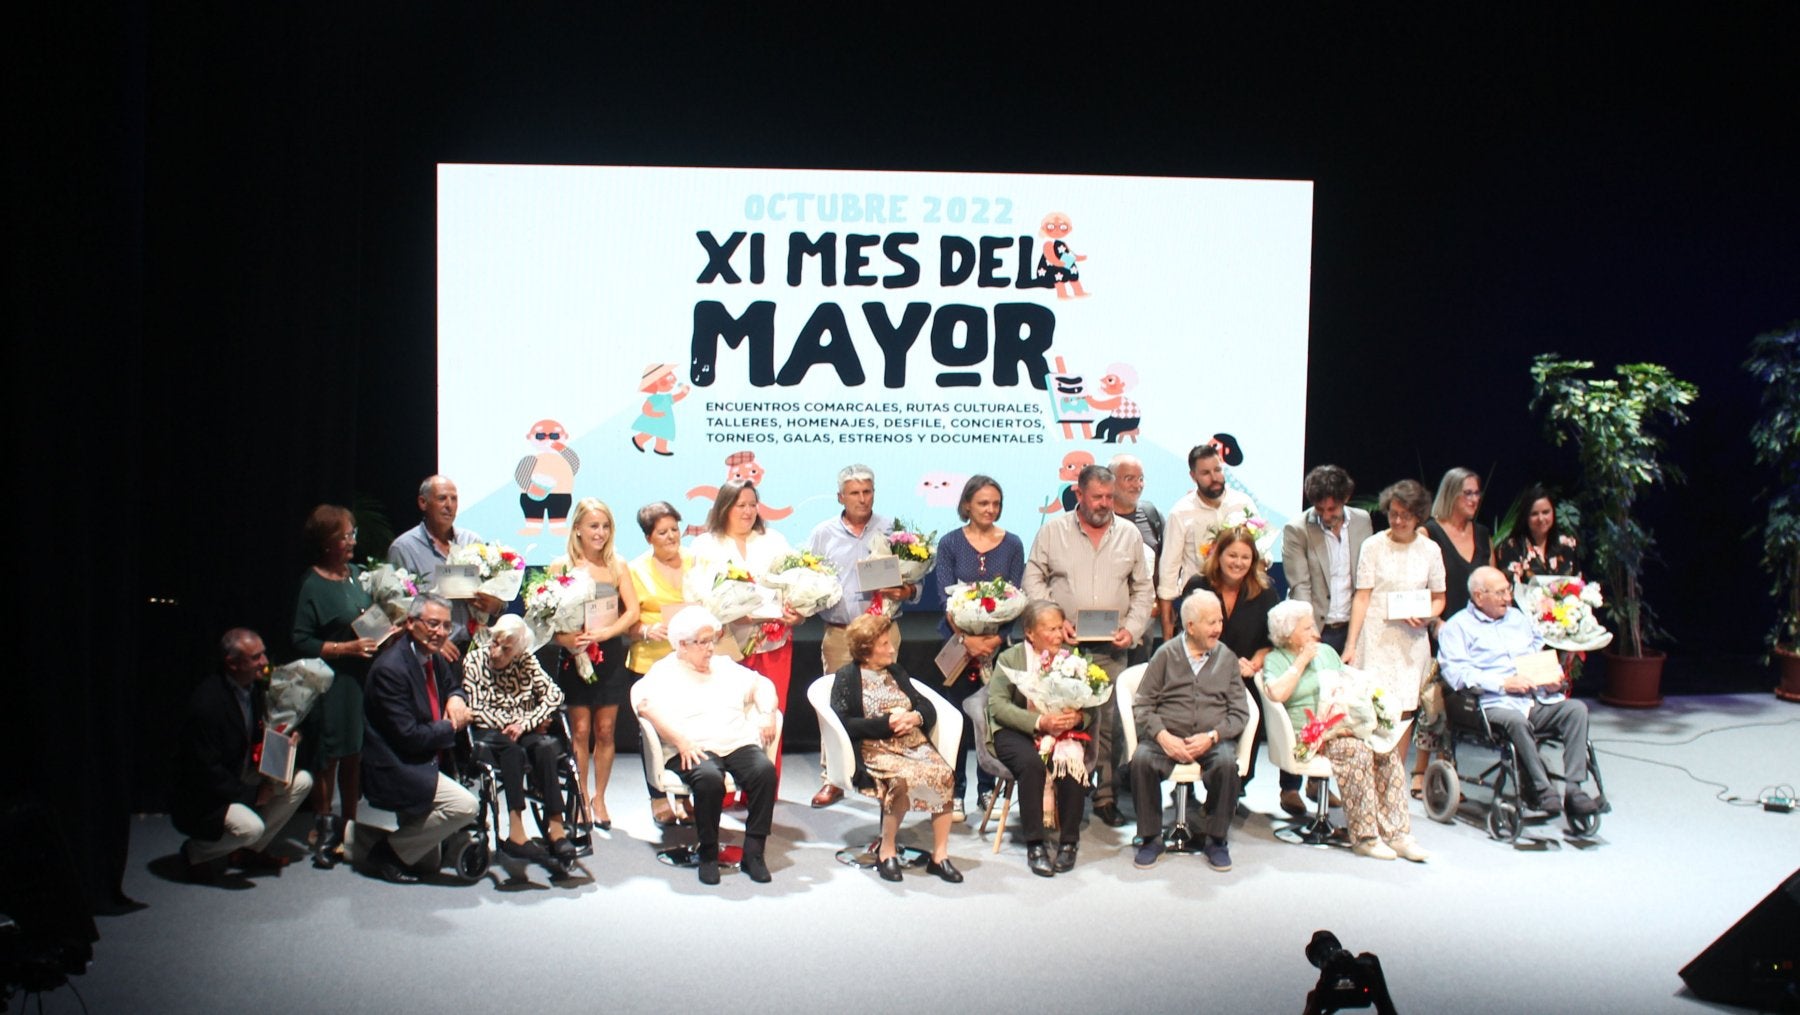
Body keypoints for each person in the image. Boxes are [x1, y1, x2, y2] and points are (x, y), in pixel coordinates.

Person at [1024, 463, 1153, 827]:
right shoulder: (1053, 532)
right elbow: (1033, 576)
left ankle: (1106, 794)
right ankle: (1068, 794)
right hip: (1064, 648)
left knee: (1110, 722)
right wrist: (1053, 619)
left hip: (1113, 648)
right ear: (1078, 494)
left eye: (1110, 497)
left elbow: (1143, 588)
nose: (1104, 503)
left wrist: (1133, 626)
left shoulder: (1129, 535)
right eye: (1097, 496)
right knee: (1067, 723)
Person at [1263, 601, 1430, 862]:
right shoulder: (1275, 659)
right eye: (1306, 628)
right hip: (1307, 735)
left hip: (1343, 726)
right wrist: (1302, 661)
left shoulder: (1327, 652)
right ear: (1287, 633)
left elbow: (1348, 686)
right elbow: (1276, 693)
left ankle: (1397, 834)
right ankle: (1365, 837)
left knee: (1386, 750)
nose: (1315, 632)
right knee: (1356, 752)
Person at [1438, 567, 1600, 817]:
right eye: (1500, 593)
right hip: (1491, 703)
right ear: (1479, 596)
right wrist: (1503, 683)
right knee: (1515, 721)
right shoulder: (1457, 627)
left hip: (1532, 699)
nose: (1507, 598)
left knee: (1575, 710)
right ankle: (1542, 789)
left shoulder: (1518, 618)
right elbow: (1458, 674)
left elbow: (1537, 653)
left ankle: (1574, 789)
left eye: (1508, 590)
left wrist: (1551, 676)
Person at [634, 609, 779, 886]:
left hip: (735, 741)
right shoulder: (665, 671)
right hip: (690, 745)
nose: (710, 648)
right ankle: (709, 854)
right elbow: (645, 706)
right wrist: (680, 741)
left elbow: (762, 685)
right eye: (702, 642)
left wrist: (768, 714)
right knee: (709, 779)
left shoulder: (724, 666)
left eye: (712, 640)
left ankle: (754, 853)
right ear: (682, 645)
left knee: (764, 773)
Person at [807, 464, 918, 809]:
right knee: (834, 704)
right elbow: (807, 576)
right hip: (841, 632)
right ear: (841, 496)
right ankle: (834, 778)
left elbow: (915, 585)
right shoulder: (822, 534)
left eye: (867, 492)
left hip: (883, 631)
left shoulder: (893, 531)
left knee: (886, 702)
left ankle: (884, 771)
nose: (862, 499)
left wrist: (906, 590)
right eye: (854, 493)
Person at [684, 479, 803, 783]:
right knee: (727, 716)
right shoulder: (705, 545)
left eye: (753, 504)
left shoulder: (773, 540)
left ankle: (762, 789)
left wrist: (797, 613)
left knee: (769, 714)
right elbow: (694, 595)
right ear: (724, 507)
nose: (748, 511)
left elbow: (794, 586)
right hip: (726, 648)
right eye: (741, 505)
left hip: (773, 644)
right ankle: (721, 789)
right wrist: (719, 619)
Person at [829, 614, 962, 883]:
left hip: (913, 744)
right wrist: (885, 724)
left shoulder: (896, 672)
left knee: (944, 773)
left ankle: (940, 856)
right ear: (866, 650)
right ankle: (886, 851)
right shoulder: (846, 678)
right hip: (875, 747)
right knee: (900, 780)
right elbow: (844, 723)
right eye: (884, 644)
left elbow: (925, 705)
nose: (891, 649)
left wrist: (915, 718)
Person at [356, 594, 479, 885]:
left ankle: (348, 834)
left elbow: (453, 687)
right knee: (466, 806)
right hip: (399, 765)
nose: (440, 632)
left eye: (446, 626)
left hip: (428, 757)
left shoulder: (431, 656)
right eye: (433, 624)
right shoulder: (391, 669)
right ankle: (385, 854)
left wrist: (457, 700)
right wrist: (452, 726)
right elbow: (409, 736)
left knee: (428, 862)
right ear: (411, 623)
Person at [172, 629, 312, 882]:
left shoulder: (255, 688)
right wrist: (254, 795)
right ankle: (196, 853)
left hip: (243, 772)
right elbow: (205, 772)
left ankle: (250, 851)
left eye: (264, 654)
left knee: (301, 781)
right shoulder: (208, 703)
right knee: (251, 828)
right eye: (256, 657)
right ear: (232, 663)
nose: (265, 662)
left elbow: (259, 734)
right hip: (208, 794)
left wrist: (286, 738)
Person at [1129, 591, 1248, 872]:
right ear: (1191, 626)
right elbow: (1143, 704)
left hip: (1211, 738)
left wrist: (1213, 736)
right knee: (1142, 760)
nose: (1218, 628)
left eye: (1220, 621)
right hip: (1167, 736)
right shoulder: (1165, 655)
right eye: (1211, 622)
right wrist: (1162, 736)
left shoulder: (1226, 658)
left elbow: (1240, 712)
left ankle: (1216, 839)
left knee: (1227, 764)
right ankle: (1150, 838)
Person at [1278, 465, 1374, 815]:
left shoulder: (1362, 521)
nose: (1326, 516)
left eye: (1332, 509)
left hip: (1350, 625)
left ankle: (1322, 781)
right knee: (1303, 705)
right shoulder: (1297, 529)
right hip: (1315, 624)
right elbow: (1299, 583)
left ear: (1345, 500)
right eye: (1320, 509)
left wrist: (1354, 637)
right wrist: (1306, 630)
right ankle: (1290, 785)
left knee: (1337, 707)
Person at [1345, 480, 1447, 794]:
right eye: (1393, 513)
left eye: (1405, 515)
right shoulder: (1373, 545)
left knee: (1404, 710)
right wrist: (1350, 645)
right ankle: (1366, 783)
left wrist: (1429, 614)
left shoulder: (1430, 549)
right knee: (1372, 708)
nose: (1398, 520)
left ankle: (1392, 782)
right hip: (1376, 635)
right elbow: (1362, 597)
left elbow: (1439, 597)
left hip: (1411, 640)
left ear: (1418, 516)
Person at [934, 474, 1026, 818]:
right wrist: (968, 639)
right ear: (967, 505)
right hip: (958, 648)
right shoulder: (950, 543)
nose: (990, 509)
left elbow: (1015, 598)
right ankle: (956, 790)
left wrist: (994, 640)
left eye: (996, 504)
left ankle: (987, 789)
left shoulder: (1013, 543)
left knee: (992, 720)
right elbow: (946, 596)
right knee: (957, 719)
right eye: (983, 503)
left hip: (998, 650)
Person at [547, 497, 640, 832]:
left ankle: (600, 797)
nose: (600, 533)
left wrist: (606, 632)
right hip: (575, 657)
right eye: (593, 526)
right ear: (577, 529)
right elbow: (548, 619)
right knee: (581, 732)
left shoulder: (617, 565)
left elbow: (632, 612)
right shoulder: (561, 566)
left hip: (610, 656)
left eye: (605, 526)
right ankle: (580, 795)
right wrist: (567, 640)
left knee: (605, 731)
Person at [290, 503, 375, 867]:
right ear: (327, 542)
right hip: (332, 681)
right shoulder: (311, 584)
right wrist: (346, 648)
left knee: (355, 756)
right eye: (345, 535)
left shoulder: (357, 575)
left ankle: (350, 828)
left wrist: (390, 628)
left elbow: (371, 621)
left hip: (360, 680)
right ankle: (324, 829)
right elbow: (300, 640)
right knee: (330, 757)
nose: (353, 540)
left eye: (353, 533)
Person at [987, 600, 1096, 877]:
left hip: (1061, 729)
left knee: (1070, 763)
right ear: (1030, 633)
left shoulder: (1072, 659)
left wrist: (1078, 718)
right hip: (1016, 730)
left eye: (1060, 628)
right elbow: (998, 705)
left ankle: (1069, 842)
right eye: (1051, 629)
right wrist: (1039, 721)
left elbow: (1092, 706)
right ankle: (1035, 845)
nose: (1059, 635)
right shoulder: (1010, 658)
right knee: (1032, 765)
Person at [461, 614, 574, 870]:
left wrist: (525, 722)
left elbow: (554, 694)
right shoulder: (475, 661)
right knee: (512, 751)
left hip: (522, 728)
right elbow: (476, 707)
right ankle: (516, 830)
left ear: (519, 650)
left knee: (544, 748)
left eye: (505, 648)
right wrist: (514, 722)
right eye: (494, 643)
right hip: (489, 731)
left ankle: (556, 827)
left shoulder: (525, 661)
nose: (496, 651)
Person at [1178, 525, 1280, 793]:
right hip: (1200, 670)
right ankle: (1186, 786)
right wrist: (1223, 662)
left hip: (1244, 675)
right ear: (1219, 555)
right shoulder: (1198, 585)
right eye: (1232, 555)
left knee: (1252, 703)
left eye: (1245, 557)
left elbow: (1272, 641)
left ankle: (1233, 784)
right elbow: (1187, 633)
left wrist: (1257, 661)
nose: (1238, 563)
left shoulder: (1265, 591)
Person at [626, 500, 694, 825]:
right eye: (662, 532)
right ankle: (657, 798)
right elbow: (626, 621)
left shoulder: (697, 561)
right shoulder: (635, 569)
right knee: (652, 733)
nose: (671, 537)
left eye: (675, 530)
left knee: (688, 727)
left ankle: (684, 794)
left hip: (690, 663)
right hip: (650, 663)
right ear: (648, 538)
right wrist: (646, 629)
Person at [387, 475, 503, 662]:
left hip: (477, 650)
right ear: (423, 502)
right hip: (431, 655)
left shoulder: (472, 542)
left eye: (454, 499)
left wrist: (495, 605)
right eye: (442, 498)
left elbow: (497, 597)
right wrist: (431, 639)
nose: (449, 505)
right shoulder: (404, 548)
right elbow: (396, 610)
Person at [1158, 444, 1254, 640]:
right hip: (1199, 603)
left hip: (1241, 601)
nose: (1215, 477)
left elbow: (1259, 549)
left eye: (1218, 470)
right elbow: (1169, 568)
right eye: (1206, 473)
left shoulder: (1243, 503)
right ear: (1193, 476)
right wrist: (1167, 621)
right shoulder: (1181, 512)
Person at [1110, 453, 1164, 665]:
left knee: (1137, 676)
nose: (1137, 485)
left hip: (1145, 616)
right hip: (1109, 616)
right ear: (1110, 481)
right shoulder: (1100, 517)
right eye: (1129, 478)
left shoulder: (1151, 515)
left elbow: (1165, 561)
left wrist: (1159, 601)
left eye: (1140, 478)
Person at [1425, 467, 1494, 621]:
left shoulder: (1482, 535)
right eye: (1468, 493)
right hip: (1442, 630)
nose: (1475, 499)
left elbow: (1494, 586)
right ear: (1450, 495)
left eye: (1477, 493)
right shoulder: (1429, 533)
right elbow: (1418, 588)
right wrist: (1434, 623)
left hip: (1482, 630)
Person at [1495, 483, 1584, 587]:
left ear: (1553, 513)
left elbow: (1577, 584)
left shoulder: (1567, 544)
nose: (1541, 519)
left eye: (1545, 512)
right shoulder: (1510, 547)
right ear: (1525, 517)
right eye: (1534, 514)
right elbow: (1511, 590)